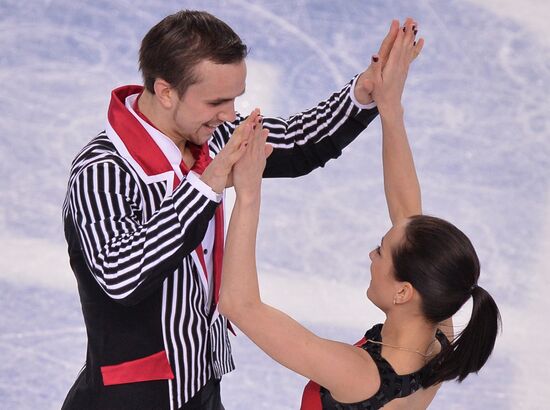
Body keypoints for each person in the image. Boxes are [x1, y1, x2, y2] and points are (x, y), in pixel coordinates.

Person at [61, 9, 399, 410]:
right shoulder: (103, 171)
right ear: (166, 91)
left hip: (200, 383)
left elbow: (295, 144)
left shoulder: (207, 134)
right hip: (132, 396)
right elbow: (121, 276)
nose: (229, 114)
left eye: (235, 98)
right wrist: (208, 184)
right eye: (217, 101)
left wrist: (364, 92)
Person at [219, 18, 501, 409]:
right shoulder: (437, 336)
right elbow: (408, 215)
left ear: (404, 291)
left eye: (381, 252)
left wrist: (249, 192)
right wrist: (390, 108)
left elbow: (239, 304)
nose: (371, 255)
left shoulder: (358, 374)